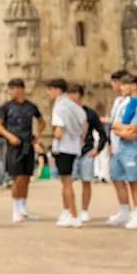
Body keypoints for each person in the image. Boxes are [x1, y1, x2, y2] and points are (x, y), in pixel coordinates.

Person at [0, 78, 44, 222]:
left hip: (27, 142)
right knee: (17, 177)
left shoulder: (31, 106)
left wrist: (37, 136)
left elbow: (41, 121)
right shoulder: (6, 107)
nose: (11, 92)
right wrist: (9, 136)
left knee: (26, 176)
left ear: (21, 89)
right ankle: (15, 208)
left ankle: (23, 207)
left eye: (13, 89)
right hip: (14, 144)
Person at [108, 73, 137, 230]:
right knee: (117, 179)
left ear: (134, 86)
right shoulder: (120, 102)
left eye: (125, 85)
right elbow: (117, 125)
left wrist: (118, 128)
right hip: (118, 148)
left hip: (134, 149)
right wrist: (119, 129)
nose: (121, 87)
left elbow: (132, 130)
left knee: (134, 181)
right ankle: (124, 211)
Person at [46, 78, 87, 228]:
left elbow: (58, 131)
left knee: (67, 183)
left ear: (57, 90)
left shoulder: (59, 107)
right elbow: (84, 123)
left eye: (50, 89)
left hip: (63, 148)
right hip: (73, 146)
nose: (48, 93)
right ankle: (67, 212)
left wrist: (55, 133)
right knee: (66, 183)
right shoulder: (71, 105)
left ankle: (74, 215)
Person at [67, 86, 106, 224]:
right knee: (68, 182)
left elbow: (102, 133)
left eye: (71, 93)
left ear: (78, 94)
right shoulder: (68, 112)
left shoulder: (90, 113)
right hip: (70, 151)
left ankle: (84, 210)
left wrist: (97, 150)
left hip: (86, 152)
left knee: (86, 182)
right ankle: (69, 210)